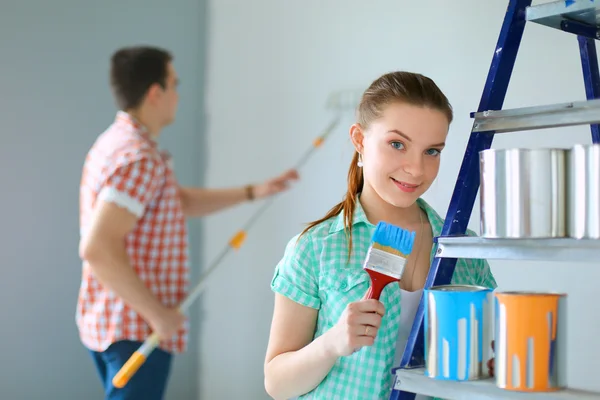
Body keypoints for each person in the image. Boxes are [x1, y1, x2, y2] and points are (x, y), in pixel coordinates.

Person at [77, 45, 299, 400]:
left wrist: (254, 191)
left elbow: (175, 201)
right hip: (136, 328)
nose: (178, 94)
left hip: (113, 321)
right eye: (174, 84)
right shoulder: (139, 158)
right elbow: (97, 248)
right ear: (155, 92)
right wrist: (158, 315)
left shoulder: (116, 144)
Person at [263, 71, 497, 400]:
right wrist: (331, 344)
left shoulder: (463, 248)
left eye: (432, 151)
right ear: (360, 140)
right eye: (397, 144)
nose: (416, 169)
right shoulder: (316, 248)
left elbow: (482, 362)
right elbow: (277, 384)